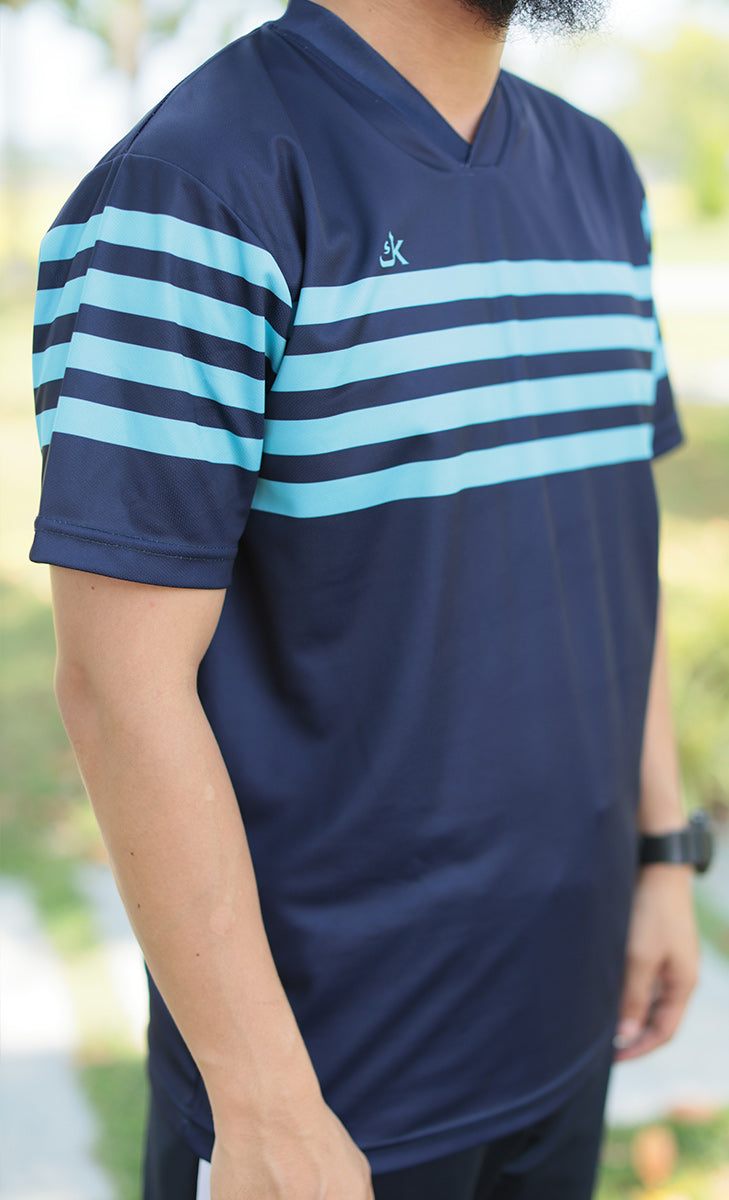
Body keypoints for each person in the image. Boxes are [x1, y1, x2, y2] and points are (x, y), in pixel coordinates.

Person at [30, 0, 702, 1196]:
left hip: (565, 1019)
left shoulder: (600, 172)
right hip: (327, 1093)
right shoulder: (195, 185)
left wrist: (662, 853)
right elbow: (119, 689)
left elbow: (614, 557)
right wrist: (260, 1097)